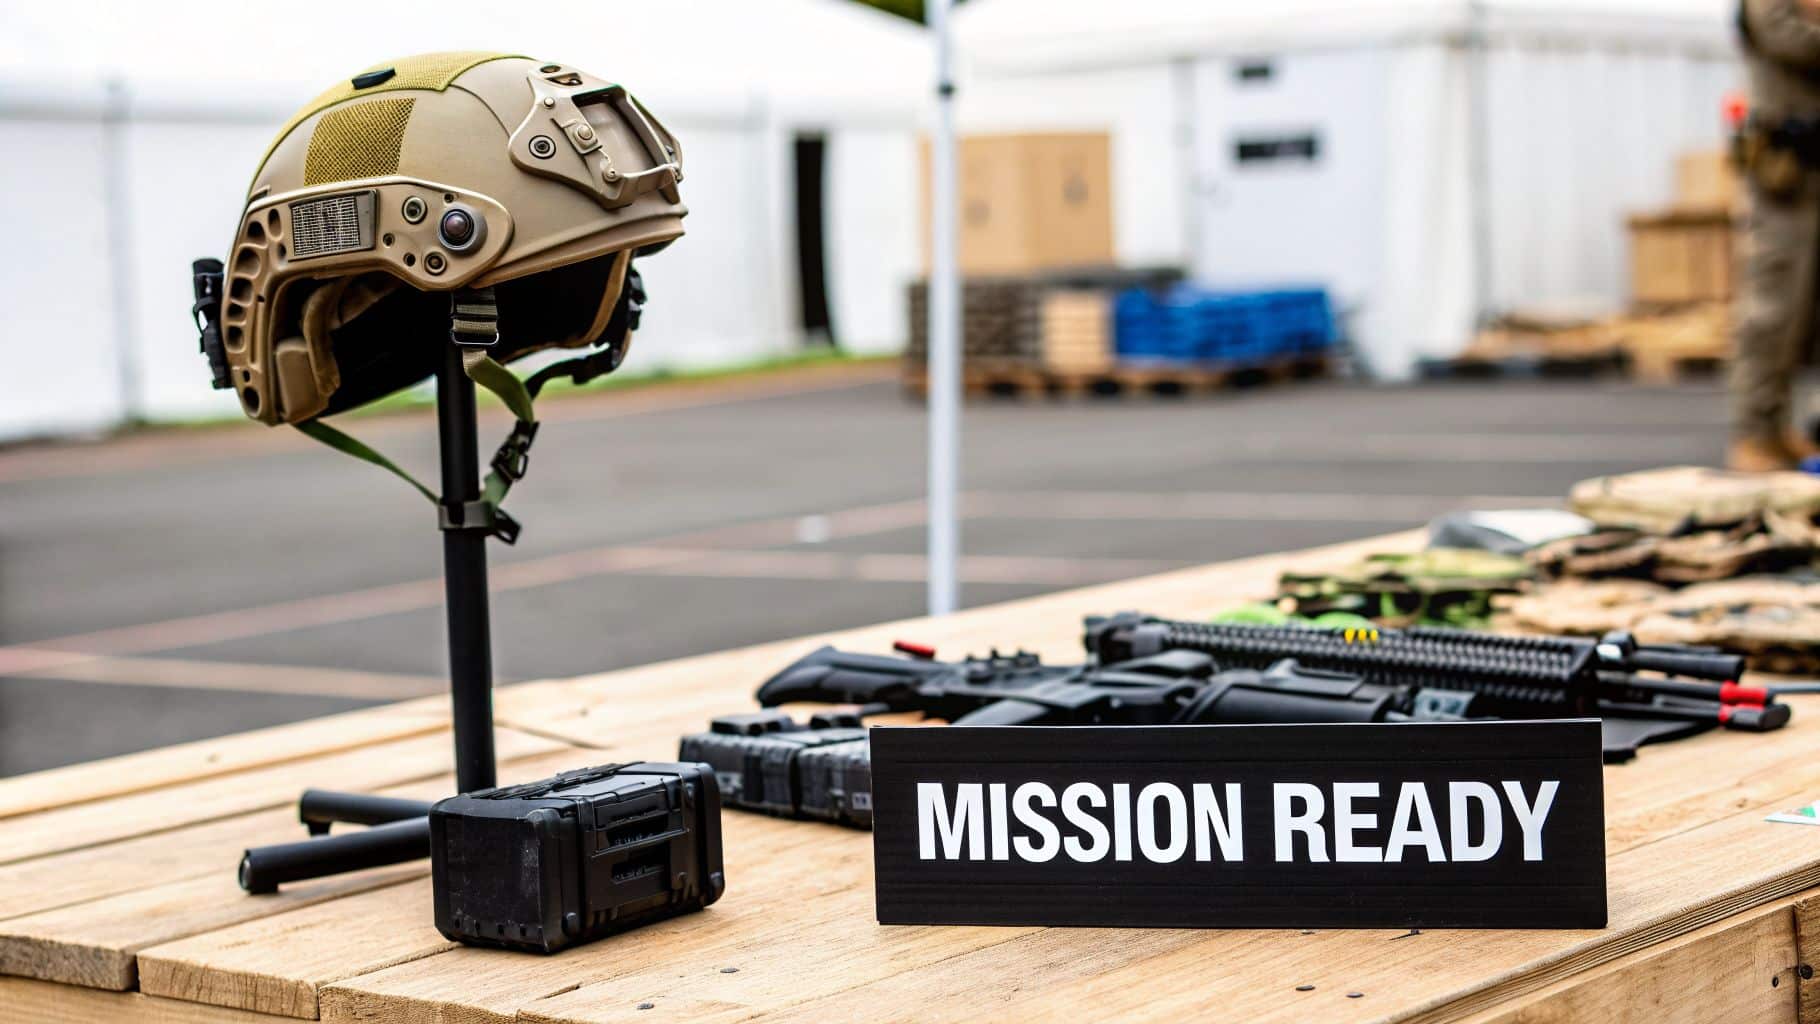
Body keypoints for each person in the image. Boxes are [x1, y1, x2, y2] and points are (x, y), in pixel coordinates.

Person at [1731, 0, 1820, 470]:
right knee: (1774, 312)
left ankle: (1801, 431)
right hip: (1786, 180)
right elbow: (1795, 42)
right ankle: (1756, 433)